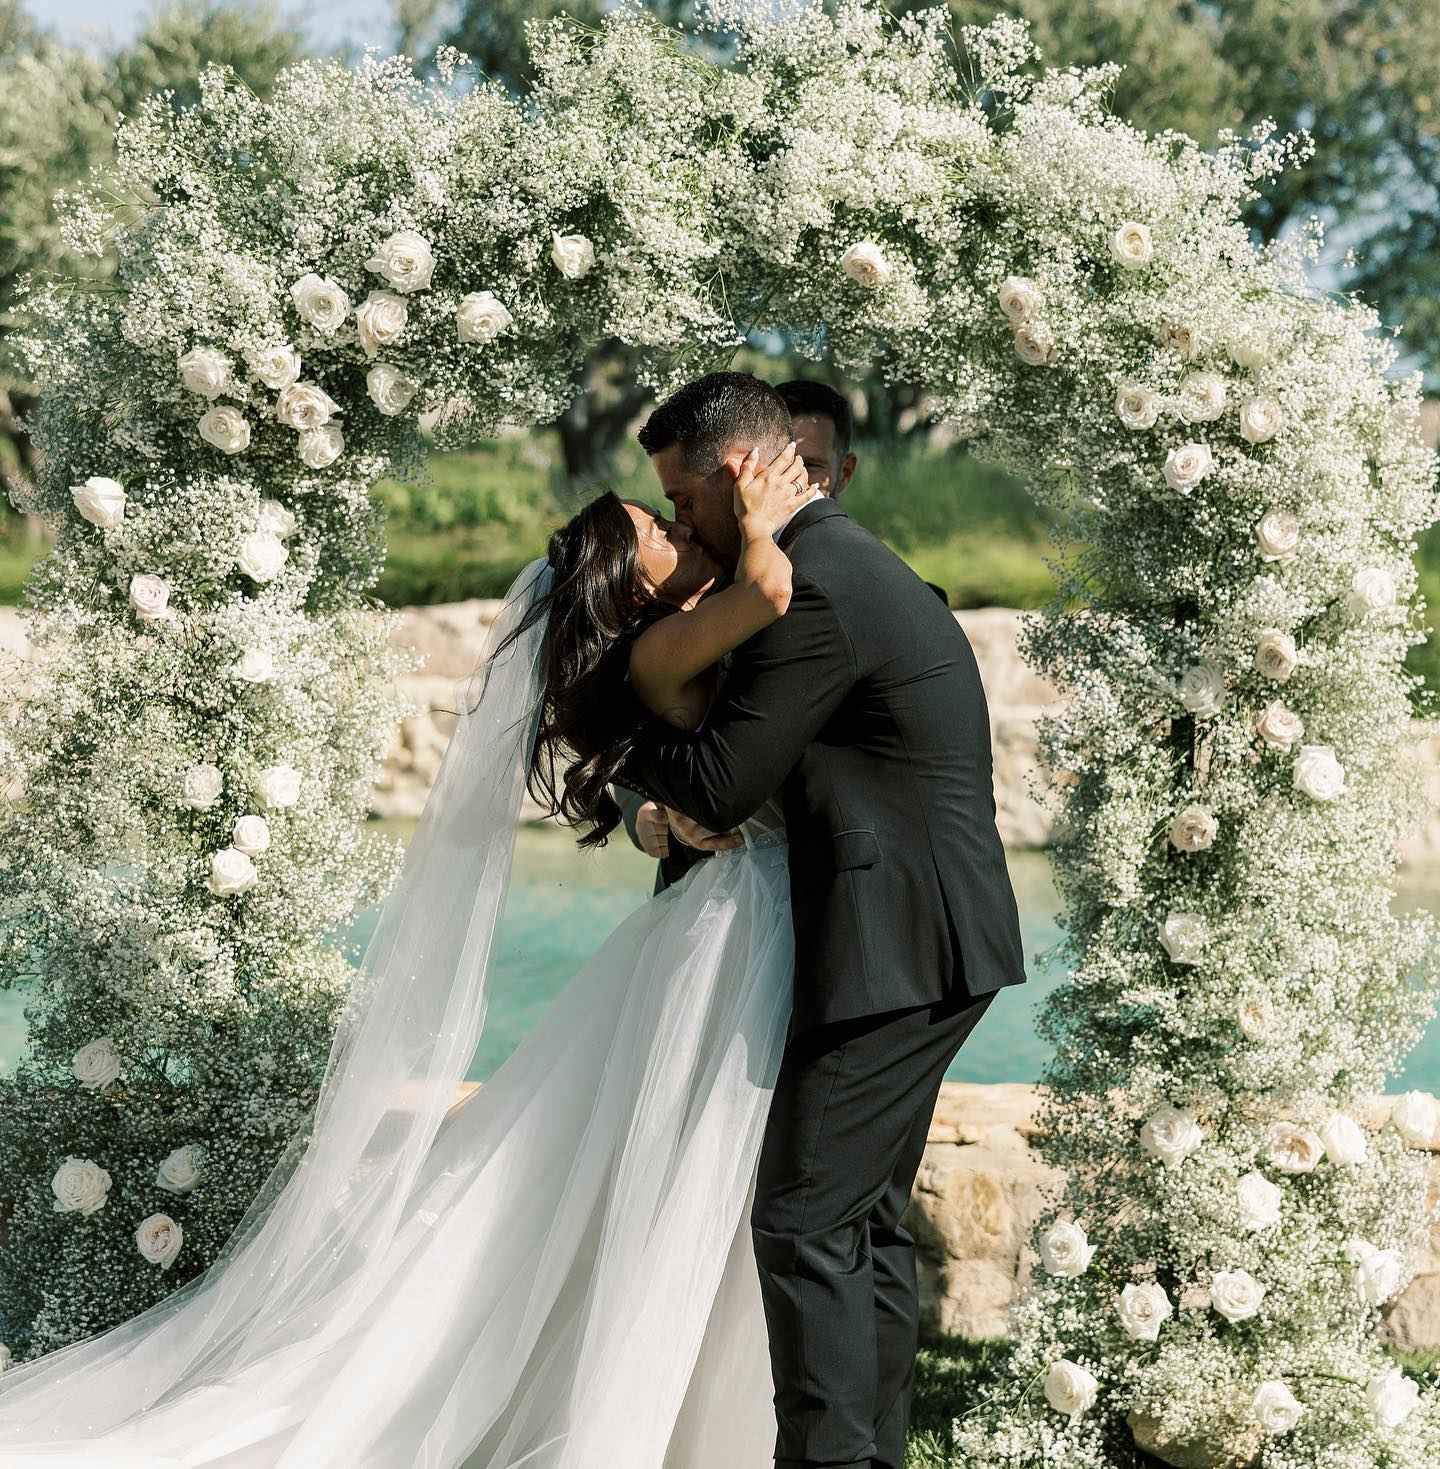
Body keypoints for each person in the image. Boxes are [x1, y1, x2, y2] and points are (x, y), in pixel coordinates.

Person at [0, 436, 819, 1465]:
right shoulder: (669, 643)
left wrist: (658, 810)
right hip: (740, 920)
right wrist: (764, 507)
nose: (674, 525)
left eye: (668, 513)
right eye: (655, 528)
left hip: (739, 911)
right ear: (630, 585)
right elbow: (773, 588)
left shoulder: (675, 633)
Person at [622, 369, 1026, 1469]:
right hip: (922, 933)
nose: (683, 522)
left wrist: (616, 711)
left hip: (895, 938)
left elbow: (717, 780)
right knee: (856, 1224)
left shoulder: (824, 586)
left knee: (803, 1222)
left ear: (740, 471)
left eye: (687, 498)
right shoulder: (836, 565)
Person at [619, 376, 948, 890]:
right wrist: (654, 810)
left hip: (818, 900)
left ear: (845, 470)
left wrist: (605, 735)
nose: (794, 479)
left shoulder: (812, 584)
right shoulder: (707, 578)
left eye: (808, 465)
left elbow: (728, 787)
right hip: (718, 895)